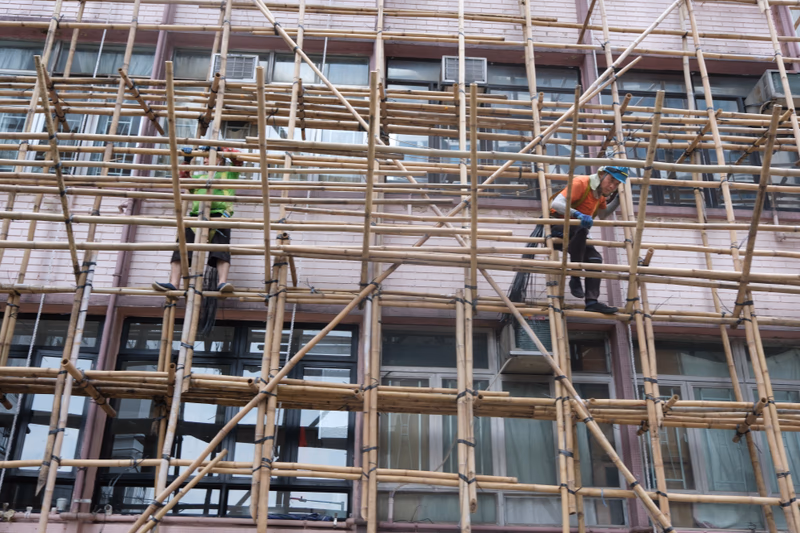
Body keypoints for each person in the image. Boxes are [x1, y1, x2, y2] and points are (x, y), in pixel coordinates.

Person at [153, 146, 242, 293]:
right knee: (181, 248)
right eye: (205, 157)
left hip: (220, 216)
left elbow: (238, 158)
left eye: (210, 157)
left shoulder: (229, 173)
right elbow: (183, 178)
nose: (206, 160)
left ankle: (222, 282)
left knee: (222, 250)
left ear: (220, 160)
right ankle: (174, 283)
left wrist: (220, 149)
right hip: (197, 216)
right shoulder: (199, 178)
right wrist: (187, 160)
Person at [549, 165, 628, 315]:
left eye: (617, 184)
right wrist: (577, 214)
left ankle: (592, 302)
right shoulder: (582, 183)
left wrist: (618, 200)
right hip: (557, 227)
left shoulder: (600, 196)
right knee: (581, 230)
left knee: (595, 260)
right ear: (601, 174)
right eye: (611, 180)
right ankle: (575, 277)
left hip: (577, 235)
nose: (612, 186)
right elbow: (556, 204)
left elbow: (603, 214)